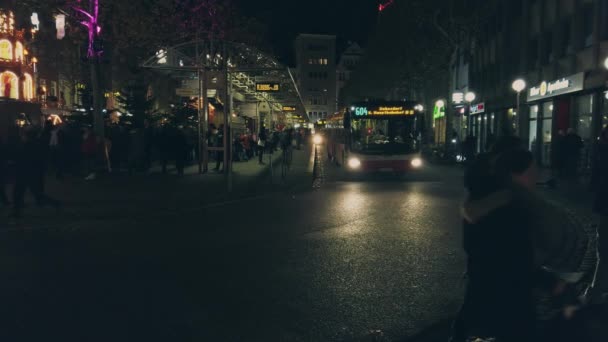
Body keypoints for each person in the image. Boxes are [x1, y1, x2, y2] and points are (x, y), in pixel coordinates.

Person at [451, 137, 574, 342]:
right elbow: (512, 257)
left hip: (487, 285)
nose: (537, 176)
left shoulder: (489, 197)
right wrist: (550, 281)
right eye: (532, 171)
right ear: (515, 173)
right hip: (506, 294)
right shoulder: (507, 207)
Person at [12, 128, 61, 218]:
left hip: (26, 172)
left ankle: (17, 211)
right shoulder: (35, 144)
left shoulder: (29, 145)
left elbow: (24, 159)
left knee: (21, 193)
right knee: (27, 193)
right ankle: (54, 203)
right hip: (30, 173)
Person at [592, 127, 608, 300]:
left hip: (603, 202)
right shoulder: (602, 151)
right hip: (605, 202)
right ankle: (596, 291)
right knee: (603, 250)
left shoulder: (600, 150)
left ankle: (596, 291)